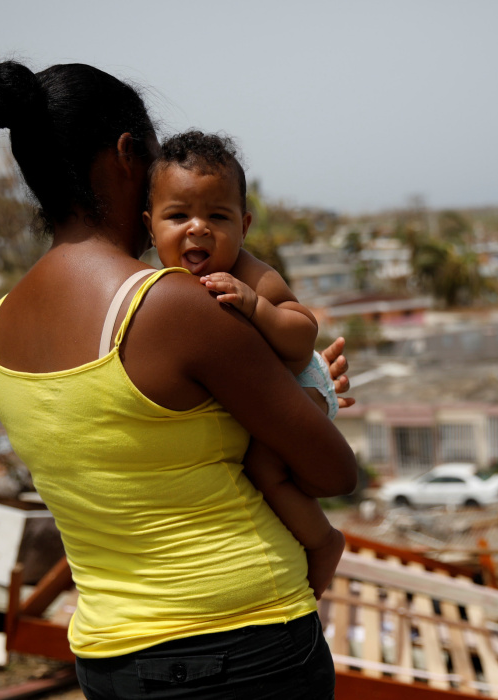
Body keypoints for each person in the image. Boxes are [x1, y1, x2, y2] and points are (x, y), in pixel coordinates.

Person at [0, 60, 357, 699]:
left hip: (110, 660)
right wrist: (307, 400)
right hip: (244, 647)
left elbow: (142, 458)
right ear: (130, 159)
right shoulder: (169, 305)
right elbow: (334, 473)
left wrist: (284, 384)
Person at [142, 130, 345, 601]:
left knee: (261, 465)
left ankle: (323, 540)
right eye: (178, 216)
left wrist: (258, 307)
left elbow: (302, 333)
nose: (198, 228)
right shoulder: (162, 284)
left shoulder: (252, 275)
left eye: (218, 216)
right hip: (267, 390)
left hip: (303, 385)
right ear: (150, 226)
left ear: (244, 225)